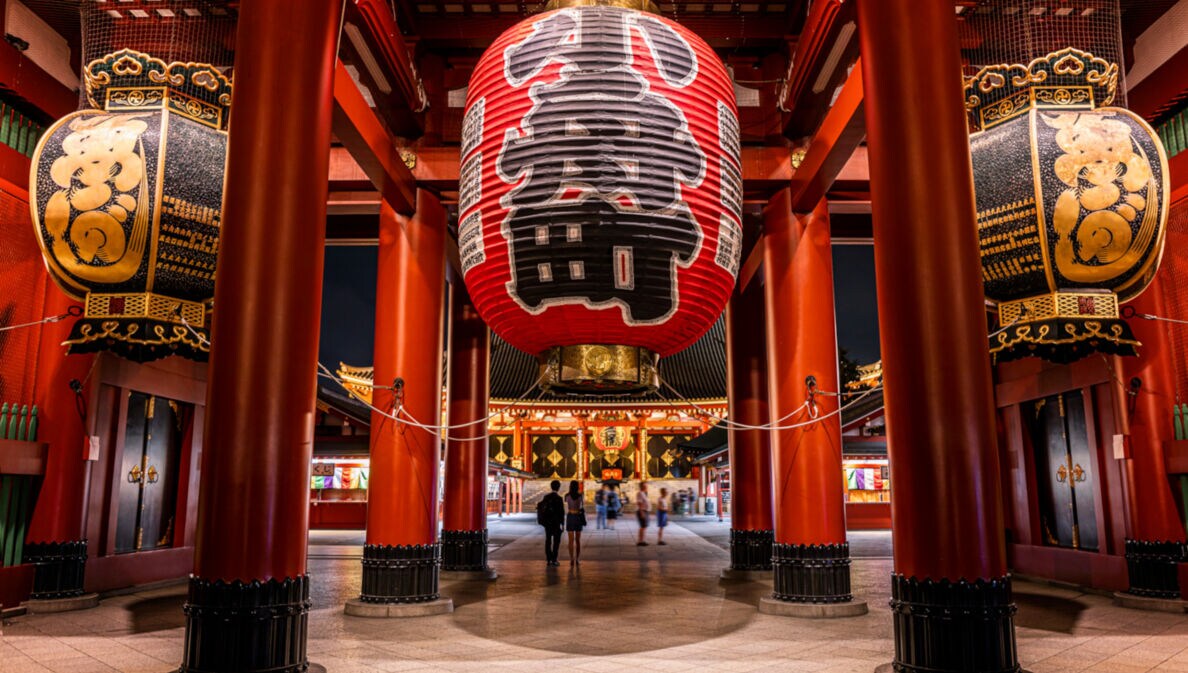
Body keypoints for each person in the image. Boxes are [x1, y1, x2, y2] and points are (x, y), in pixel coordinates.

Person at [536, 479, 565, 566]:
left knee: (548, 540)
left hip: (547, 522)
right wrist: (562, 524)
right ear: (558, 488)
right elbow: (561, 512)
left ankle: (548, 559)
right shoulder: (559, 499)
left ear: (551, 487)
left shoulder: (546, 497)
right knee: (556, 541)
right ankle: (554, 559)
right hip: (556, 523)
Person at [564, 480, 586, 565]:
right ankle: (577, 559)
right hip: (578, 517)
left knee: (570, 540)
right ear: (577, 487)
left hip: (570, 517)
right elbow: (581, 506)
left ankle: (571, 559)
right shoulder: (580, 496)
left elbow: (566, 506)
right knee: (577, 540)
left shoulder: (567, 496)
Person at [636, 482, 651, 546]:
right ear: (641, 486)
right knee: (643, 526)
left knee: (644, 527)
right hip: (642, 511)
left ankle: (642, 540)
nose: (646, 486)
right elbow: (639, 503)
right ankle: (640, 541)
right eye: (645, 485)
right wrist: (642, 512)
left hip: (645, 511)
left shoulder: (644, 493)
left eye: (646, 485)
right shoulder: (640, 493)